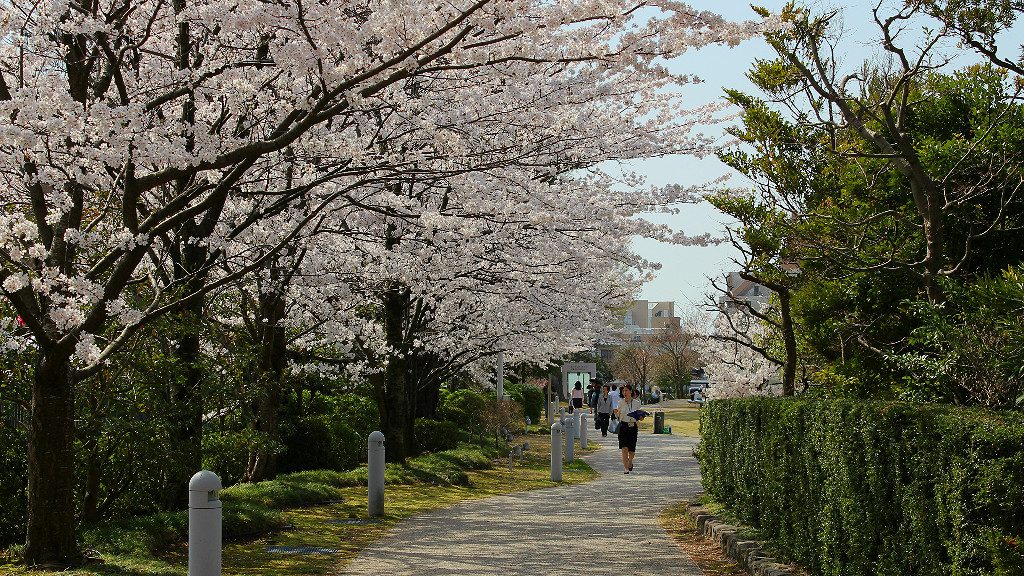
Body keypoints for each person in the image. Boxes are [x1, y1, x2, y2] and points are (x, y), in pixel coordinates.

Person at [614, 384, 645, 474]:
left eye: (626, 390)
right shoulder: (620, 402)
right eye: (623, 391)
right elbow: (618, 416)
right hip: (623, 426)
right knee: (624, 448)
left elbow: (640, 416)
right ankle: (625, 468)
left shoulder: (636, 403)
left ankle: (630, 461)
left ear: (631, 391)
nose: (625, 393)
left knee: (631, 449)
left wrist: (642, 417)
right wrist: (616, 413)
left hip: (633, 427)